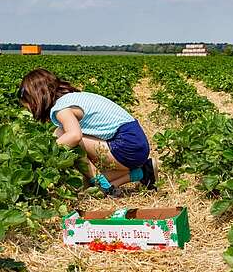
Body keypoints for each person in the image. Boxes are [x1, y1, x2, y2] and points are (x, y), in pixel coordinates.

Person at [17, 68, 157, 196]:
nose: (29, 110)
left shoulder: (61, 109)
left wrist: (46, 154)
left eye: (28, 105)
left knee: (63, 136)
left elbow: (75, 136)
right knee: (83, 183)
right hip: (136, 143)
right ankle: (142, 172)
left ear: (36, 98)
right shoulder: (72, 98)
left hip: (127, 145)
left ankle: (100, 185)